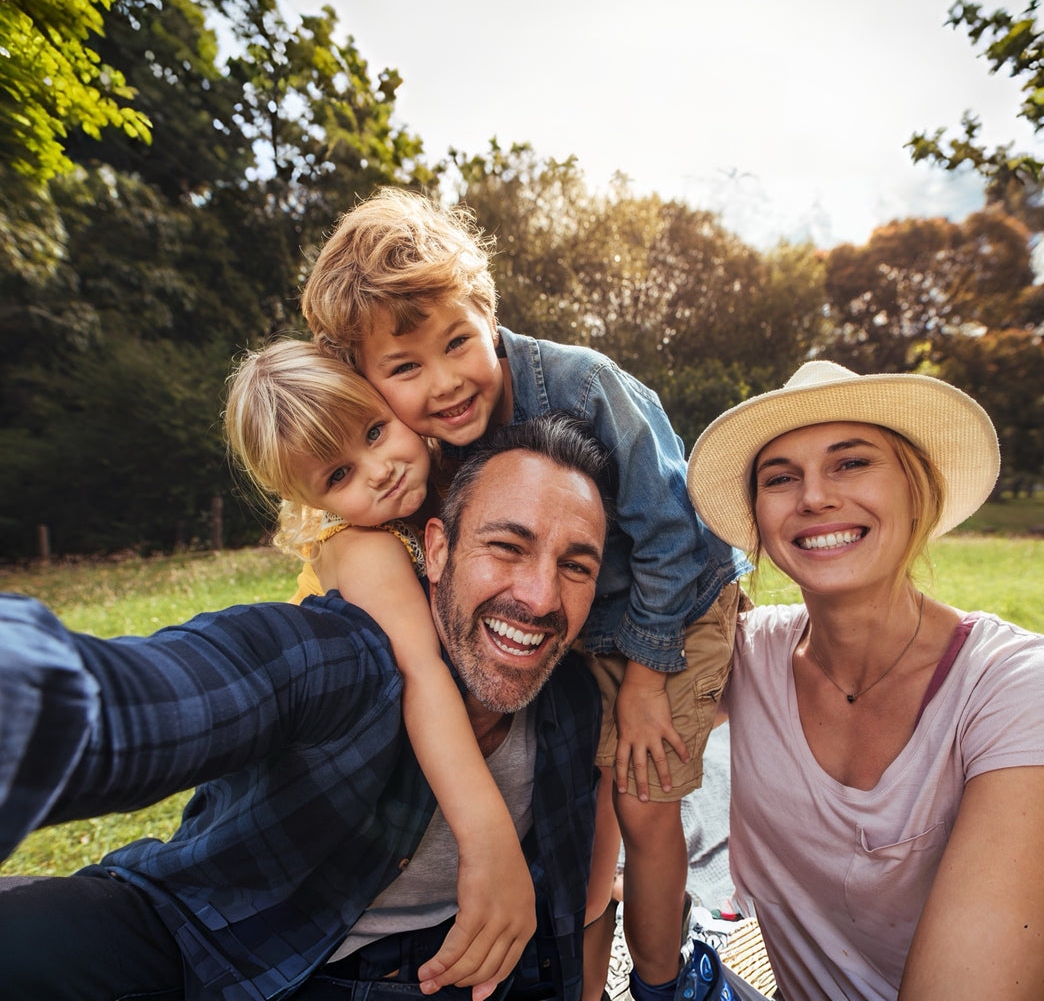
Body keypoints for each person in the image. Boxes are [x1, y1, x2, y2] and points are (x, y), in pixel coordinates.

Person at [299, 187, 753, 1001]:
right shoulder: (424, 455)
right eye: (405, 368)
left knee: (644, 802)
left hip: (675, 607)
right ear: (367, 380)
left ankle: (664, 982)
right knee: (581, 813)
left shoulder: (584, 386)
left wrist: (648, 678)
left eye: (457, 343)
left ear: (486, 308)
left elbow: (678, 533)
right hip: (571, 620)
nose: (442, 383)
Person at [0, 414, 616, 1001]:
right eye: (507, 546)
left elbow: (575, 910)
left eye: (575, 565)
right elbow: (155, 700)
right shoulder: (342, 660)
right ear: (436, 549)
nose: (539, 598)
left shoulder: (578, 709)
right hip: (209, 941)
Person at [685, 359, 1044, 1001]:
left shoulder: (1033, 691)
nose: (814, 497)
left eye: (851, 462)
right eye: (780, 478)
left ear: (914, 488)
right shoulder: (745, 657)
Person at [223, 338, 536, 997]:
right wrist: (490, 843)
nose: (377, 469)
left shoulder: (437, 498)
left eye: (374, 430)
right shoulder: (360, 548)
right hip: (342, 839)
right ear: (312, 503)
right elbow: (421, 674)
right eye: (338, 476)